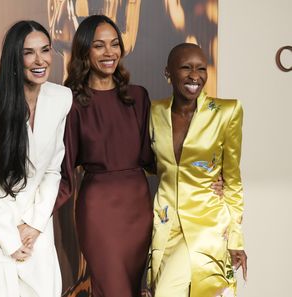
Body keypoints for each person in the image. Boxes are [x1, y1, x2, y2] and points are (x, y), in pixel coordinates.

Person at [0, 20, 72, 297]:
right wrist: (11, 236)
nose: (40, 60)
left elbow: (53, 170)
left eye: (45, 50)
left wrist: (34, 224)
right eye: (28, 52)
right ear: (14, 57)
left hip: (36, 229)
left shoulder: (61, 98)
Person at [54, 15, 154, 297]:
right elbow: (64, 169)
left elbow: (153, 158)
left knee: (134, 289)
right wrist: (32, 217)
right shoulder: (70, 101)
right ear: (85, 51)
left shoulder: (137, 97)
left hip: (138, 207)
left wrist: (205, 177)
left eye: (114, 44)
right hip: (99, 211)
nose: (109, 52)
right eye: (99, 46)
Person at [148, 43, 247, 297]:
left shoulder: (226, 112)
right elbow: (150, 163)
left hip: (208, 223)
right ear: (168, 72)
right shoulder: (154, 111)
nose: (195, 76)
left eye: (201, 68)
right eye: (186, 68)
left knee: (165, 293)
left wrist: (236, 239)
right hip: (165, 221)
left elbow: (233, 181)